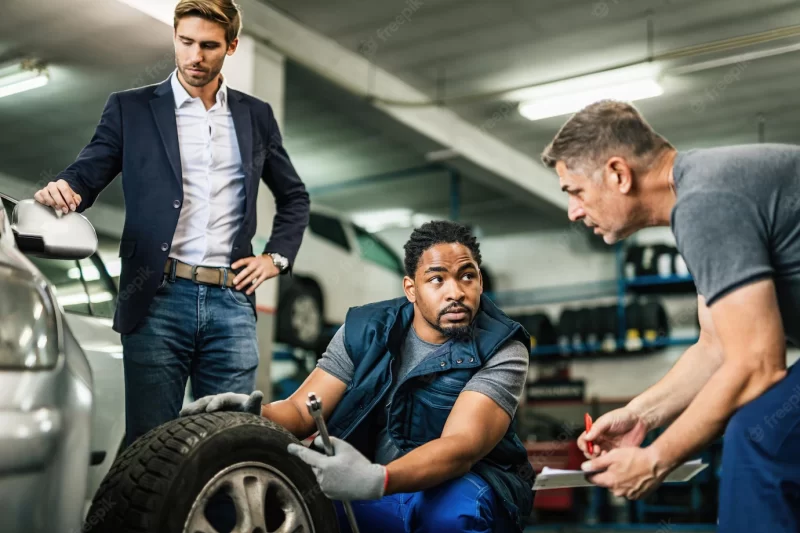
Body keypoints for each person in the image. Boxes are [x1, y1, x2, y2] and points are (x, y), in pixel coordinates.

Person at [33, 0, 309, 447]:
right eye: (185, 42)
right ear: (174, 39)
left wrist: (276, 257)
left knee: (229, 441)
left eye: (208, 46)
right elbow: (88, 172)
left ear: (231, 47)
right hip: (156, 298)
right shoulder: (131, 108)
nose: (194, 56)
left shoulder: (254, 116)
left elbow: (294, 196)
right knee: (151, 443)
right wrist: (64, 188)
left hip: (232, 304)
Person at [540, 99, 800, 531]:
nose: (573, 211)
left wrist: (656, 459)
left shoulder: (706, 202)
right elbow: (716, 347)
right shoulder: (700, 197)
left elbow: (757, 365)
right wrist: (640, 415)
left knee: (759, 440)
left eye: (576, 191)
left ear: (618, 175)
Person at [181, 220, 535, 533]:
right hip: (367, 475)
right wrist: (251, 415)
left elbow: (460, 448)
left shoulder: (503, 346)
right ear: (411, 289)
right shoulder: (363, 329)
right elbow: (302, 412)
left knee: (454, 515)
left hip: (460, 483)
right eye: (437, 279)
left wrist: (377, 479)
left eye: (467, 276)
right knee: (278, 497)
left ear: (479, 281)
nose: (455, 292)